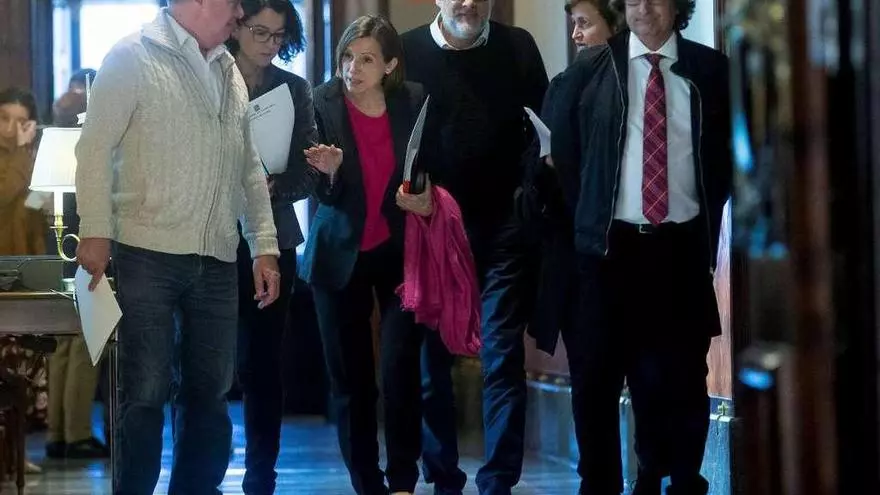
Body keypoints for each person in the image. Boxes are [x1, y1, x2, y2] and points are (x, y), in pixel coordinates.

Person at [74, 0, 281, 492]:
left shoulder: (228, 69)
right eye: (232, 2)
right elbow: (94, 148)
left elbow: (247, 165)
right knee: (145, 392)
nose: (239, 13)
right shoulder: (131, 56)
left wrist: (264, 243)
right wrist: (95, 230)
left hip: (218, 256)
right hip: (146, 252)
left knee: (210, 394)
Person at [548, 0, 732, 493]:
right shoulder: (589, 71)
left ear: (677, 7)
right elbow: (565, 156)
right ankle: (602, 484)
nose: (643, 8)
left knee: (680, 376)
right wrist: (591, 216)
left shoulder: (711, 71)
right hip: (609, 250)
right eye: (632, 0)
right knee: (596, 379)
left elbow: (725, 161)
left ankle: (674, 479)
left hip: (680, 248)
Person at [399, 1, 549, 493]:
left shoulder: (518, 47)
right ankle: (443, 476)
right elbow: (394, 134)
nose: (469, 2)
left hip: (504, 227)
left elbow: (542, 129)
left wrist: (528, 191)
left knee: (502, 355)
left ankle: (499, 480)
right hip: (435, 229)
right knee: (432, 364)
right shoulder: (406, 50)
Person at [298, 14, 433, 495]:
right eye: (347, 58)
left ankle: (403, 481)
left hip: (400, 252)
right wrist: (332, 172)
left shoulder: (413, 100)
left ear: (390, 65)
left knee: (400, 370)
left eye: (367, 59)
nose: (353, 68)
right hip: (339, 254)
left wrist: (427, 196)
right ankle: (367, 483)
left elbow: (429, 167)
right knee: (352, 380)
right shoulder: (321, 101)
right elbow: (320, 193)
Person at [226, 1, 316, 492]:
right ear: (236, 26)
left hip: (275, 238)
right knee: (207, 363)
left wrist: (271, 185)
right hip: (215, 236)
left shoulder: (293, 88)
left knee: (263, 364)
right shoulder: (211, 76)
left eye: (279, 36)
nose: (270, 44)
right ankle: (204, 469)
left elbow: (306, 172)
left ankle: (261, 476)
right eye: (260, 32)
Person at [43, 67, 110, 460]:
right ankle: (77, 433)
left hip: (61, 243)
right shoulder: (90, 138)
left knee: (65, 344)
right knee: (85, 342)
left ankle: (58, 433)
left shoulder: (57, 134)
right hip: (86, 243)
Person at [0, 86, 46, 475]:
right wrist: (20, 154)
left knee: (22, 369)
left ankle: (16, 452)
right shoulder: (14, 158)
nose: (11, 128)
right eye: (4, 119)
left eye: (21, 121)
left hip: (25, 267)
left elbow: (34, 209)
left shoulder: (30, 157)